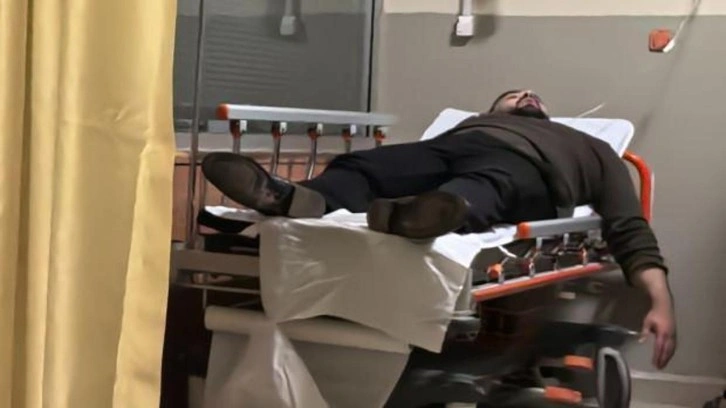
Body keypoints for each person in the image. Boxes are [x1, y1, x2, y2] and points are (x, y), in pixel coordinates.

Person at [201, 89, 677, 369]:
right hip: (450, 152)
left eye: (532, 96)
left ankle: (427, 213)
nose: (526, 94)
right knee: (367, 166)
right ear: (494, 110)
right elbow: (415, 160)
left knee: (485, 188)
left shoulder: (589, 147)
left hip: (528, 171)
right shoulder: (466, 127)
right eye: (513, 94)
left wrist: (660, 300)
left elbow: (627, 223)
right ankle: (298, 199)